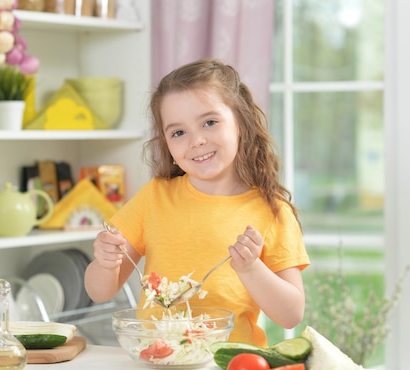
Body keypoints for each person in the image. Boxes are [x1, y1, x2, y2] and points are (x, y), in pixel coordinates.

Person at [84, 58, 310, 346]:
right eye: (178, 132)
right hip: (158, 361)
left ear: (241, 121)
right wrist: (105, 263)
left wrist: (252, 269)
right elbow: (99, 292)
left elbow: (291, 314)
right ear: (166, 142)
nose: (197, 140)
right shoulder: (155, 197)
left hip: (231, 368)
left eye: (210, 122)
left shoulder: (271, 209)